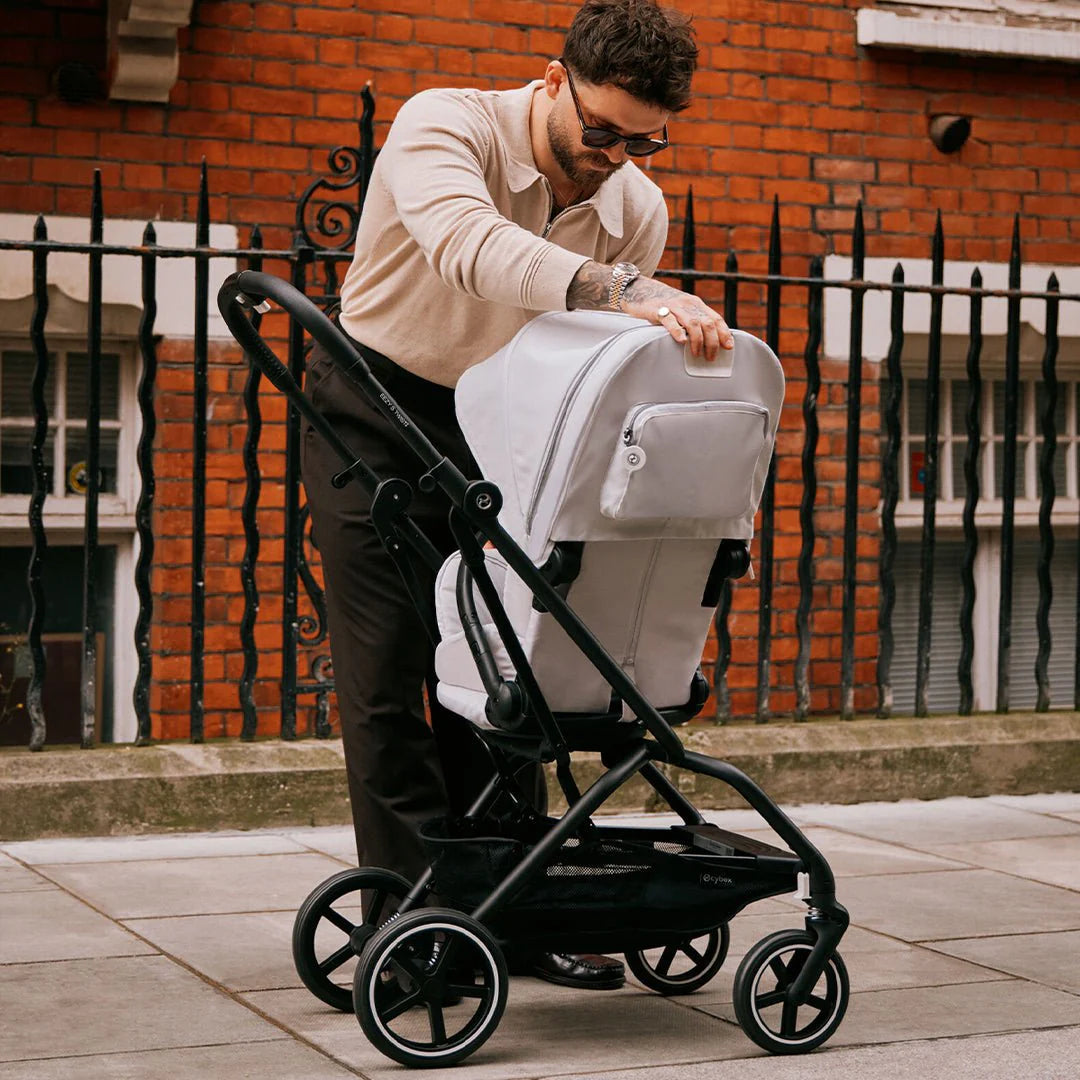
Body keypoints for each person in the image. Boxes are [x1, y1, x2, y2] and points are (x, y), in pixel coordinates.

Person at [300, 0, 733, 991]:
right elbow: (470, 247)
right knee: (390, 674)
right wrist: (626, 293)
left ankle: (517, 914)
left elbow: (585, 355)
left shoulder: (636, 209)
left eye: (643, 141)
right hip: (372, 397)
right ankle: (419, 926)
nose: (615, 158)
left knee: (506, 669)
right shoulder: (443, 123)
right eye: (601, 132)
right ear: (551, 80)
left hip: (506, 425)